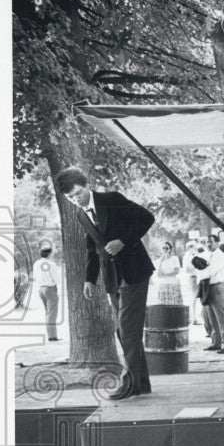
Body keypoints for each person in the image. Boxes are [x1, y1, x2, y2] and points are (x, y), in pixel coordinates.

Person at [54, 166, 155, 400]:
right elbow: (94, 249)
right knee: (124, 332)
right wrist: (90, 279)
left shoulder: (112, 199)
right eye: (70, 198)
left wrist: (122, 241)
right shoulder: (80, 215)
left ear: (87, 184)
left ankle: (129, 383)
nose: (76, 200)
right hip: (112, 278)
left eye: (78, 193)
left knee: (127, 331)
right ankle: (141, 384)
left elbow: (146, 218)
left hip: (135, 272)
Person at [196, 234, 224, 354]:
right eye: (207, 242)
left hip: (217, 287)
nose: (208, 244)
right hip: (209, 287)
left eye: (211, 242)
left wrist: (201, 271)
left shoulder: (219, 255)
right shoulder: (210, 255)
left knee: (221, 317)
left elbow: (210, 271)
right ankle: (216, 342)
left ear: (217, 242)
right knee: (212, 317)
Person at [31, 241, 61, 341]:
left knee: (48, 313)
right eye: (52, 253)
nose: (53, 254)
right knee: (52, 313)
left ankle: (51, 335)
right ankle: (52, 337)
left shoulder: (36, 263)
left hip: (41, 289)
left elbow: (35, 276)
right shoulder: (51, 264)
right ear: (49, 253)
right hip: (50, 288)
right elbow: (57, 279)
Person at [153, 240, 183, 304]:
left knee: (174, 304)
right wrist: (161, 262)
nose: (165, 249)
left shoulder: (175, 258)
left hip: (173, 284)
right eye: (163, 248)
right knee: (163, 305)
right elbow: (158, 275)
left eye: (167, 248)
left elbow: (176, 272)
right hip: (163, 285)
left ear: (170, 250)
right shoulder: (158, 261)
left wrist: (164, 275)